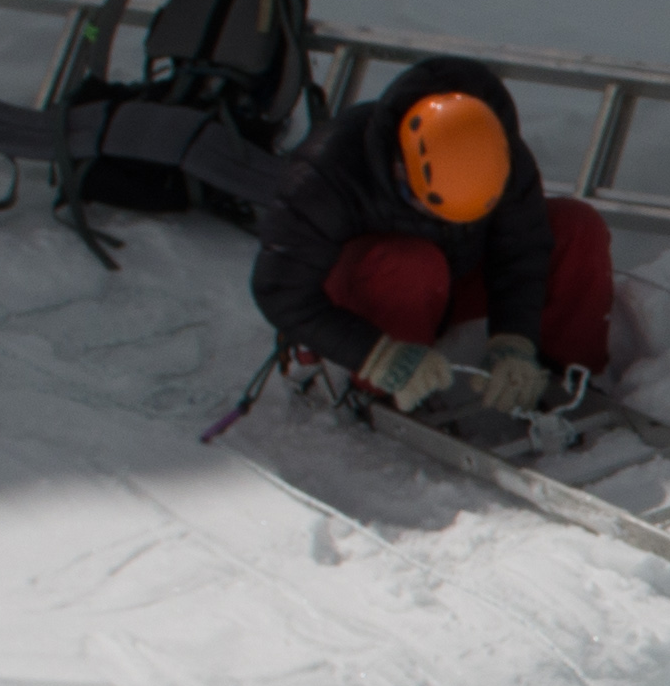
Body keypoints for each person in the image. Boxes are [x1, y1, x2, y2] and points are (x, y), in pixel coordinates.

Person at [252, 55, 617, 427]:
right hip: (373, 291)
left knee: (576, 228)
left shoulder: (498, 153)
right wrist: (376, 355)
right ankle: (387, 388)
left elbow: (521, 253)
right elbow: (280, 289)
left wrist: (515, 339)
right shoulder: (327, 170)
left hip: (452, 278)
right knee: (413, 262)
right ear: (401, 166)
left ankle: (564, 375)